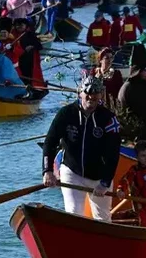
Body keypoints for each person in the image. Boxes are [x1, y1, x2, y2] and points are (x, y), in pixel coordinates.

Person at [42, 75, 121, 221]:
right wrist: (47, 171)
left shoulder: (109, 119)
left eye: (95, 94)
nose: (91, 98)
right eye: (88, 94)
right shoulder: (66, 113)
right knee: (74, 214)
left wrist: (105, 182)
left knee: (102, 218)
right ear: (80, 93)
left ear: (100, 95)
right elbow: (50, 142)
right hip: (72, 171)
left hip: (99, 176)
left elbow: (113, 153)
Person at [11, 18, 45, 89]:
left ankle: (28, 87)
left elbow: (39, 46)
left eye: (21, 25)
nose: (19, 27)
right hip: (16, 59)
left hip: (28, 59)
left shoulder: (30, 34)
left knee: (27, 74)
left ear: (26, 26)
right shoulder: (12, 35)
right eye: (17, 25)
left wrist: (31, 46)